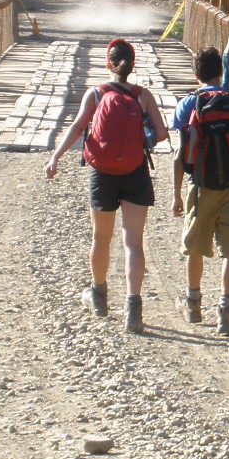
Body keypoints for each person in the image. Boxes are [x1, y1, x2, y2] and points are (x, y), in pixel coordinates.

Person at [46, 38, 169, 334]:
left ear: (108, 63)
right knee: (133, 242)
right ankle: (132, 309)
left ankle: (99, 297)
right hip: (135, 170)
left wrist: (55, 157)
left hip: (102, 173)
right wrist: (142, 138)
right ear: (132, 64)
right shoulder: (143, 95)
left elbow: (77, 127)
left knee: (101, 238)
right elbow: (163, 134)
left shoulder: (96, 93)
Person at [172, 46, 229, 335]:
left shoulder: (188, 104)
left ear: (195, 73)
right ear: (221, 72)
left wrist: (176, 194)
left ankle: (193, 306)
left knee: (195, 248)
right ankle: (225, 313)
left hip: (200, 185)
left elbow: (179, 153)